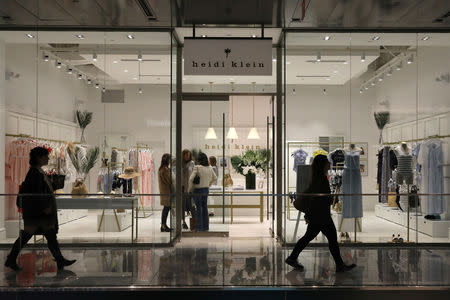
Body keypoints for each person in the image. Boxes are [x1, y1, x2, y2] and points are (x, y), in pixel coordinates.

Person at [5, 147, 76, 272]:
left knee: (49, 236)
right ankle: (11, 259)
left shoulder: (37, 171)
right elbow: (37, 194)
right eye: (45, 156)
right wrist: (45, 208)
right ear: (39, 157)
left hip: (38, 213)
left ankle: (60, 260)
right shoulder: (35, 173)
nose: (48, 158)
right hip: (38, 214)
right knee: (30, 235)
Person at [285, 154, 356, 273]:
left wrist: (309, 214)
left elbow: (314, 199)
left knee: (310, 237)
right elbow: (317, 200)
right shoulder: (321, 179)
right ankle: (339, 265)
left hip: (319, 216)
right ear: (323, 164)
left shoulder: (318, 178)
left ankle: (292, 258)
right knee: (331, 238)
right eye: (327, 161)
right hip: (322, 216)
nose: (330, 163)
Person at [188, 153, 217, 231]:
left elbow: (191, 179)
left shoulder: (197, 167)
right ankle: (205, 226)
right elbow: (215, 178)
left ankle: (199, 227)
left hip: (197, 190)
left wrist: (189, 189)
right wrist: (208, 184)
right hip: (206, 189)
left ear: (199, 159)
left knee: (198, 208)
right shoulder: (210, 168)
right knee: (205, 207)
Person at [158, 153, 174, 232]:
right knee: (166, 208)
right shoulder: (164, 169)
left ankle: (163, 225)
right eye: (169, 159)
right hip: (166, 192)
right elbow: (169, 180)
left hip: (165, 191)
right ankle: (163, 225)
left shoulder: (163, 169)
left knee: (166, 209)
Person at [181, 149, 195, 230]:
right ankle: (183, 222)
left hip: (190, 187)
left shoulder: (192, 163)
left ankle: (194, 222)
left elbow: (192, 175)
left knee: (191, 205)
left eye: (188, 155)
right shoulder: (180, 164)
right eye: (186, 155)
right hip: (182, 187)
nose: (187, 157)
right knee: (182, 206)